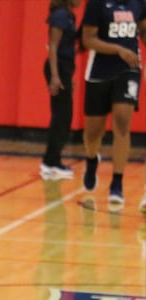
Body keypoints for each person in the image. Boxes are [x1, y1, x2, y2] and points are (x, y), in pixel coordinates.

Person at [79, 0, 145, 209]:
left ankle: (117, 183)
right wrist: (117, 49)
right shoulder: (97, 4)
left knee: (122, 121)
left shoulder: (139, 3)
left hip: (130, 68)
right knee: (93, 132)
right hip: (99, 71)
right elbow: (88, 40)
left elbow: (143, 30)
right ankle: (91, 160)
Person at [40, 0, 82, 181]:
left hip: (65, 68)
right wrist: (56, 76)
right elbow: (53, 47)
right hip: (57, 67)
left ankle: (52, 161)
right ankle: (50, 162)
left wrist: (68, 76)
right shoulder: (60, 15)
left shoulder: (69, 15)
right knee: (61, 116)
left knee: (63, 116)